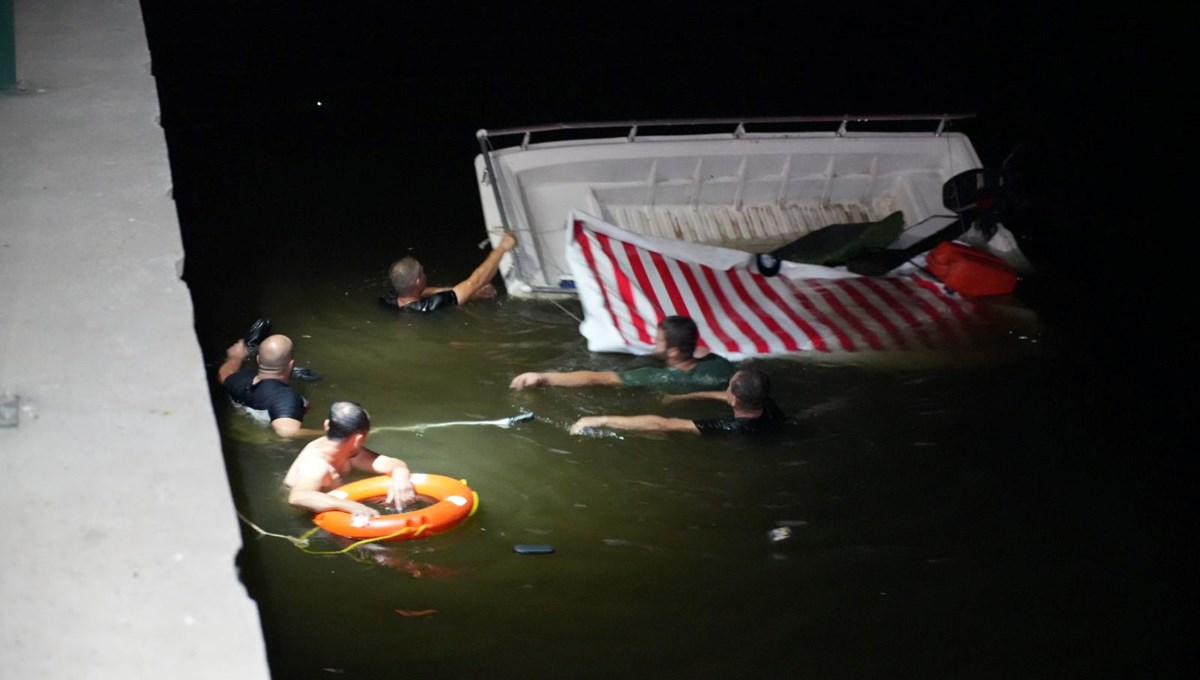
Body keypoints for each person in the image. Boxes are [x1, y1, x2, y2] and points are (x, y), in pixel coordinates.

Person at [510, 315, 736, 392]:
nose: (653, 343)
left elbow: (597, 377)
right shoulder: (720, 365)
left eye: (658, 341)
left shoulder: (656, 376)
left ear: (674, 351)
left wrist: (543, 377)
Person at [568, 366, 783, 436]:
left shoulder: (727, 426)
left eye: (728, 388)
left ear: (735, 400)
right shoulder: (767, 404)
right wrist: (682, 396)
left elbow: (663, 423)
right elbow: (725, 397)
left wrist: (601, 420)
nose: (724, 391)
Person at [284, 401, 415, 514]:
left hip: (335, 496)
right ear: (359, 439)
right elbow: (297, 497)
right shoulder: (316, 465)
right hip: (306, 515)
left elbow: (389, 463)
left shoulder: (350, 452)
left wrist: (401, 473)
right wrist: (350, 506)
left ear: (326, 425)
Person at [382, 232, 518, 312]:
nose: (425, 273)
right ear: (418, 281)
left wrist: (460, 292)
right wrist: (503, 247)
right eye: (422, 272)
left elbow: (421, 292)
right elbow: (476, 281)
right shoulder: (429, 306)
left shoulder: (388, 299)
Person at [218, 334, 321, 439]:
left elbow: (224, 373)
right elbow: (286, 433)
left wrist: (236, 357)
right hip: (265, 439)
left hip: (238, 431)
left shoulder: (239, 380)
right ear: (292, 364)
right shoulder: (285, 397)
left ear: (258, 359)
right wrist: (330, 434)